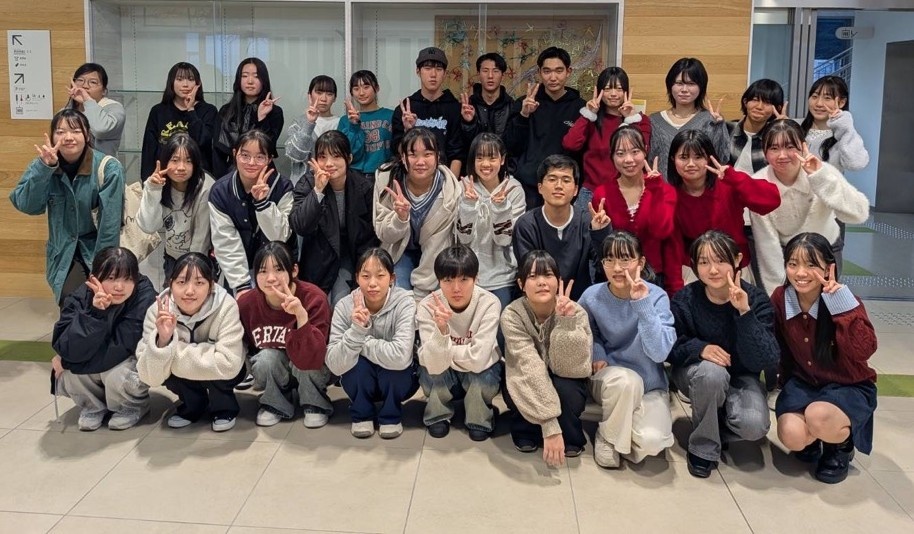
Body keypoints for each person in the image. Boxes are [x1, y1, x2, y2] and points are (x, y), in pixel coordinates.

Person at [669, 230, 779, 478]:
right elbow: (671, 348)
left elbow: (766, 359)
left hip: (742, 376)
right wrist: (700, 349)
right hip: (697, 373)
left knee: (754, 426)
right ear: (695, 265)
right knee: (712, 373)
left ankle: (711, 423)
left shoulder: (757, 300)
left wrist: (744, 313)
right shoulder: (686, 298)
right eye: (704, 262)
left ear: (737, 259)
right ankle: (703, 447)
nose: (713, 270)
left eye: (720, 260)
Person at [771, 232, 877, 484]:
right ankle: (815, 437)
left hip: (848, 385)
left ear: (829, 268)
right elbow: (780, 348)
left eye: (811, 265)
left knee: (818, 415)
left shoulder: (845, 300)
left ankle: (840, 446)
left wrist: (841, 306)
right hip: (804, 383)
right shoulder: (781, 298)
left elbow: (864, 351)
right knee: (792, 435)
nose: (801, 273)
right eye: (793, 264)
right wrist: (783, 383)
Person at [579, 231, 676, 468]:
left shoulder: (657, 296)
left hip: (649, 385)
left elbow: (659, 353)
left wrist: (642, 304)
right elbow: (586, 333)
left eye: (625, 259)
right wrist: (598, 353)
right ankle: (608, 437)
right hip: (612, 378)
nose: (617, 268)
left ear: (641, 262)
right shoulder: (592, 296)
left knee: (653, 442)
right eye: (609, 259)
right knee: (626, 381)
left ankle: (620, 425)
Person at [10, 109, 125, 306]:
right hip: (62, 252)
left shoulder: (108, 168)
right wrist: (44, 168)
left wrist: (103, 269)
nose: (68, 137)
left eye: (76, 131)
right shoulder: (44, 164)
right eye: (60, 132)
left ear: (87, 135)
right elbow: (26, 205)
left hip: (97, 250)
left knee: (96, 305)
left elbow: (109, 225)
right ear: (52, 136)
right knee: (71, 301)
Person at [749, 120, 869, 295]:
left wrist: (820, 178)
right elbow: (767, 244)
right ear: (764, 152)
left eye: (790, 147)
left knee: (826, 304)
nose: (782, 155)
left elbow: (859, 213)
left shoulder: (823, 170)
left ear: (803, 146)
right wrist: (778, 295)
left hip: (826, 248)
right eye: (774, 148)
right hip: (785, 254)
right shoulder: (758, 184)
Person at [136, 252, 246, 432]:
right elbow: (149, 376)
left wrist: (171, 353)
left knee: (223, 373)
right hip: (195, 371)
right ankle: (193, 406)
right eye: (181, 282)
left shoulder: (226, 306)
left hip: (226, 375)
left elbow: (228, 363)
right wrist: (162, 341)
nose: (189, 291)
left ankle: (224, 408)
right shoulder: (158, 311)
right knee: (165, 369)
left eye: (199, 283)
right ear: (170, 284)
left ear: (211, 286)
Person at [501, 250, 592, 467]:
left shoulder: (576, 311)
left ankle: (570, 434)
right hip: (526, 373)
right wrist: (550, 424)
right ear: (521, 284)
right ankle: (526, 430)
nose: (541, 282)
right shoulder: (512, 314)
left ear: (558, 281)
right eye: (533, 276)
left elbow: (572, 368)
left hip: (565, 374)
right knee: (517, 385)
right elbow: (528, 363)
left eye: (548, 275)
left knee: (566, 388)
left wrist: (566, 324)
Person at [51, 247, 157, 431]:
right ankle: (92, 406)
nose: (119, 287)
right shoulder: (80, 297)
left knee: (116, 373)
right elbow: (65, 344)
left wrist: (68, 361)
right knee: (72, 374)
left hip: (128, 358)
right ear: (94, 278)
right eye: (111, 278)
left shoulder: (144, 295)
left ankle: (132, 406)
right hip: (98, 356)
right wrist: (96, 314)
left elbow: (121, 346)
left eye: (127, 279)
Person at [667, 129, 781, 288]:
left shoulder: (728, 183)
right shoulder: (670, 196)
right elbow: (673, 249)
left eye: (698, 157)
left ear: (709, 158)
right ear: (673, 159)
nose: (691, 164)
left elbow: (772, 201)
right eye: (684, 157)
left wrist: (734, 178)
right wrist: (675, 288)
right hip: (695, 271)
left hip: (735, 266)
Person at [326, 248, 418, 439]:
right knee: (354, 365)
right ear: (357, 278)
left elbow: (401, 356)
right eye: (366, 276)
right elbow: (334, 364)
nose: (373, 283)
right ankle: (362, 414)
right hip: (361, 378)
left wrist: (360, 340)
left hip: (397, 380)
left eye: (380, 276)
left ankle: (391, 415)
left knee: (396, 368)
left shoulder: (405, 303)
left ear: (392, 278)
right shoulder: (344, 306)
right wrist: (356, 330)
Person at [238, 242, 332, 428]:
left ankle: (315, 403)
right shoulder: (247, 304)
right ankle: (275, 402)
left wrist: (301, 316)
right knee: (265, 359)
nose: (271, 278)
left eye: (279, 269)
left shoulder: (314, 298)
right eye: (263, 271)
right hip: (277, 367)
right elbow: (245, 348)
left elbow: (314, 356)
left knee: (307, 356)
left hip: (312, 365)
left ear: (294, 270)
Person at [417, 245, 503, 441]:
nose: (456, 288)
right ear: (439, 280)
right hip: (445, 370)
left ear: (476, 278)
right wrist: (442, 330)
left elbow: (479, 360)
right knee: (430, 371)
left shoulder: (489, 303)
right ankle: (437, 414)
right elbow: (432, 363)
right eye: (448, 280)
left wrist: (445, 351)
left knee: (484, 374)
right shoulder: (427, 306)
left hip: (477, 371)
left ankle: (479, 418)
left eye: (464, 279)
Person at [290, 130, 379, 306]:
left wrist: (363, 274)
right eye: (322, 157)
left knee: (342, 304)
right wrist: (317, 191)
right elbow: (299, 225)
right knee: (317, 305)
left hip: (351, 257)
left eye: (336, 156)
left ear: (349, 159)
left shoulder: (364, 188)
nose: (329, 163)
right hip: (317, 256)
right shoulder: (307, 183)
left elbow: (369, 238)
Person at [374, 127, 460, 298]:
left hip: (436, 255)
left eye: (427, 154)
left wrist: (420, 295)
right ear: (403, 157)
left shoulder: (449, 191)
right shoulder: (386, 180)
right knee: (398, 295)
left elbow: (437, 246)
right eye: (413, 155)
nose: (420, 162)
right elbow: (384, 235)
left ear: (437, 157)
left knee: (432, 299)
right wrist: (400, 218)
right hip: (398, 250)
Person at [590, 125, 678, 292]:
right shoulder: (602, 194)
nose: (628, 159)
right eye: (620, 153)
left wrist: (656, 190)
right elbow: (601, 250)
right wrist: (599, 230)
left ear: (645, 151)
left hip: (653, 278)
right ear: (612, 156)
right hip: (616, 279)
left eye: (635, 151)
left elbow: (662, 232)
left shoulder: (665, 190)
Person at [209, 129, 295, 297]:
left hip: (277, 269)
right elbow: (225, 242)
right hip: (236, 271)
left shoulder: (283, 187)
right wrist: (242, 286)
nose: (251, 162)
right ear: (235, 154)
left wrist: (263, 204)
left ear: (269, 159)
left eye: (260, 157)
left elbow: (280, 236)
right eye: (245, 155)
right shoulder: (220, 191)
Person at [512, 155, 608, 301]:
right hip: (540, 301)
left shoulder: (586, 221)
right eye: (552, 179)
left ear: (576, 190)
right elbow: (530, 274)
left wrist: (600, 233)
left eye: (566, 180)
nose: (558, 185)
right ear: (540, 187)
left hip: (580, 303)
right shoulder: (526, 225)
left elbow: (605, 267)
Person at [506, 47, 586, 209]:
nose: (553, 77)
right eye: (547, 71)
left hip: (564, 187)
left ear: (568, 72)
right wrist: (524, 115)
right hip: (528, 187)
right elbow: (510, 146)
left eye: (559, 71)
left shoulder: (581, 108)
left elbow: (584, 152)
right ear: (539, 73)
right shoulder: (525, 103)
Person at [562, 66, 651, 212]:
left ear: (626, 91)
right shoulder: (592, 119)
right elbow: (570, 144)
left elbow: (641, 151)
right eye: (608, 89)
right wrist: (588, 115)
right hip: (591, 192)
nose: (613, 94)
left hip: (627, 193)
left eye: (619, 89)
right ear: (599, 91)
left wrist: (631, 119)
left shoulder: (641, 120)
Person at [454, 133, 525, 309]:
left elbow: (504, 240)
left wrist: (500, 208)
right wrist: (468, 205)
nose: (486, 164)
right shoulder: (463, 187)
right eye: (480, 158)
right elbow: (463, 238)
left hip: (502, 276)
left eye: (492, 158)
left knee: (500, 324)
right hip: (467, 273)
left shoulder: (514, 190)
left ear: (502, 159)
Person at [137, 133, 214, 283]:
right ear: (165, 161)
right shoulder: (158, 183)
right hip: (171, 257)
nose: (181, 167)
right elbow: (148, 227)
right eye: (175, 160)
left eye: (188, 161)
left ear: (196, 164)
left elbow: (200, 240)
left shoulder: (205, 187)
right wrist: (153, 190)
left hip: (199, 259)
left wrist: (191, 273)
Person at [648, 57, 729, 179]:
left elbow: (722, 158)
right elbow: (647, 160)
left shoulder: (710, 120)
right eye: (679, 83)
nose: (684, 90)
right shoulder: (654, 121)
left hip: (699, 189)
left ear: (701, 87)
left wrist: (718, 128)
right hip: (662, 189)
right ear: (670, 85)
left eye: (691, 84)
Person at [391, 47, 464, 176]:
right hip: (411, 178)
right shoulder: (406, 108)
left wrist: (450, 184)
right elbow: (398, 151)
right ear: (418, 71)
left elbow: (457, 154)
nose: (433, 74)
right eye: (427, 68)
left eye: (439, 69)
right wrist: (407, 130)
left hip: (444, 176)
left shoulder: (454, 108)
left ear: (445, 74)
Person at [141, 62, 219, 179]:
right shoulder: (158, 111)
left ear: (198, 84)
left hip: (198, 177)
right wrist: (148, 181)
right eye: (180, 79)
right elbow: (149, 150)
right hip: (165, 176)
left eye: (190, 79)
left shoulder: (209, 111)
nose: (185, 84)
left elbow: (203, 142)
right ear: (171, 82)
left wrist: (191, 110)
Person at [214, 58, 283, 178]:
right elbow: (218, 150)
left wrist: (261, 118)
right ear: (238, 80)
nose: (250, 81)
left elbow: (268, 147)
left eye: (256, 76)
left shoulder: (275, 112)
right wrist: (220, 181)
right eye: (245, 76)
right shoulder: (226, 111)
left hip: (262, 173)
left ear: (264, 80)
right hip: (230, 174)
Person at [800, 76, 869, 174]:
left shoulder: (844, 135)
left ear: (842, 102)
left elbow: (857, 164)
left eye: (827, 98)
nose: (819, 103)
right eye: (815, 96)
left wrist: (843, 124)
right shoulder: (796, 127)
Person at [337, 70, 394, 180]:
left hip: (385, 174)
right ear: (351, 92)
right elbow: (345, 153)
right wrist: (354, 125)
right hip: (355, 176)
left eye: (366, 87)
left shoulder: (390, 115)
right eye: (356, 89)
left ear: (376, 88)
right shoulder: (345, 121)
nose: (361, 93)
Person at [284, 75, 340, 185]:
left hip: (334, 185)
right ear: (309, 95)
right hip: (304, 185)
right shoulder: (299, 123)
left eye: (329, 94)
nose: (323, 99)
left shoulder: (341, 123)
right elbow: (294, 155)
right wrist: (309, 123)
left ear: (335, 98)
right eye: (319, 93)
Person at [65, 63, 125, 157]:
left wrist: (88, 101)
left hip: (101, 165)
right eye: (80, 80)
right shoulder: (65, 112)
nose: (85, 86)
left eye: (93, 82)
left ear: (104, 91)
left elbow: (100, 130)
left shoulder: (114, 108)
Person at [726, 78, 786, 175]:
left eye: (767, 102)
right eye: (755, 100)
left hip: (761, 184)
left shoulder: (775, 136)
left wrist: (785, 129)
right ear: (745, 102)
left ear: (777, 108)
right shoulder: (728, 128)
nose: (759, 107)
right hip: (729, 183)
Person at [459, 52, 516, 145]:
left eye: (495, 71)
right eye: (485, 71)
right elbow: (464, 144)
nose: (490, 76)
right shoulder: (468, 106)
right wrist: (469, 123)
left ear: (503, 76)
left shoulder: (512, 107)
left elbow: (514, 144)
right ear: (478, 74)